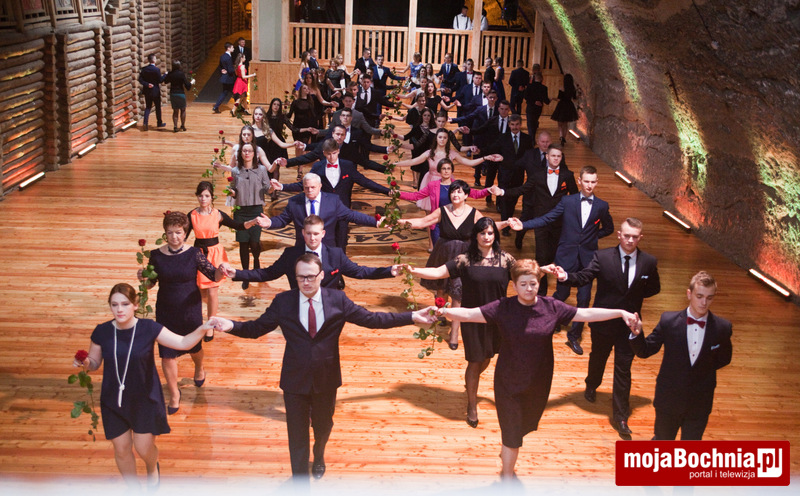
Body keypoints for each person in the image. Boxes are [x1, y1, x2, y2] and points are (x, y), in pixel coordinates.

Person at [210, 254, 436, 479]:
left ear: (321, 275)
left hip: (326, 378)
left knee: (323, 427)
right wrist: (231, 325)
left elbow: (373, 319)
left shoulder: (338, 300)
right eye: (301, 277)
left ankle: (319, 455)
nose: (306, 282)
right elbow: (256, 329)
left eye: (310, 276)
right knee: (296, 436)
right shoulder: (283, 302)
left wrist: (412, 316)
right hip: (294, 380)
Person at [439, 259, 639, 479]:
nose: (528, 289)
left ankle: (508, 449)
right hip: (508, 382)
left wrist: (620, 312)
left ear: (539, 283)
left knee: (522, 427)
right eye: (523, 284)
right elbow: (469, 314)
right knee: (512, 436)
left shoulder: (551, 307)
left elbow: (586, 314)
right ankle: (507, 477)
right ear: (514, 286)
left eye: (533, 284)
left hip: (538, 382)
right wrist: (441, 311)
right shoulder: (503, 307)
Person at [73, 283, 214, 487]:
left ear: (135, 305)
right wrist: (84, 362)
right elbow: (93, 364)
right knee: (121, 450)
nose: (119, 309)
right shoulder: (102, 332)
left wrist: (203, 328)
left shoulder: (149, 328)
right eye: (114, 305)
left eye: (125, 304)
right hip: (113, 400)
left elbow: (183, 343)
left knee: (143, 448)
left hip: (145, 399)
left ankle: (152, 467)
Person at [551, 217, 661, 439]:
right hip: (603, 322)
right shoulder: (602, 257)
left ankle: (621, 416)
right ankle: (592, 384)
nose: (630, 240)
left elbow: (653, 288)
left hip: (629, 326)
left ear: (640, 237)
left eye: (634, 237)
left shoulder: (649, 262)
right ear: (619, 235)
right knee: (598, 357)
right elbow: (584, 277)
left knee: (623, 369)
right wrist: (565, 276)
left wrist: (634, 297)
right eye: (626, 235)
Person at [408, 218, 516, 427]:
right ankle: (472, 405)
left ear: (495, 235)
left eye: (490, 233)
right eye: (482, 233)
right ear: (475, 236)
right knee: (475, 361)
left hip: (497, 318)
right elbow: (438, 272)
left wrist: (545, 270)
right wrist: (413, 270)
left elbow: (525, 273)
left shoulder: (505, 259)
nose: (487, 237)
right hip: (471, 317)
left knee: (487, 357)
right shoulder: (465, 260)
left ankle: (470, 383)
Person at [508, 165, 613, 355]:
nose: (589, 185)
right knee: (561, 294)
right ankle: (549, 319)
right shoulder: (567, 201)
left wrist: (592, 237)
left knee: (584, 299)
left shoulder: (602, 206)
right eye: (586, 181)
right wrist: (524, 225)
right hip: (566, 256)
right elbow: (547, 218)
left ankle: (574, 336)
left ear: (597, 182)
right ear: (579, 181)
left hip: (588, 259)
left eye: (593, 182)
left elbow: (609, 228)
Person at [399, 181, 510, 352]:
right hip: (443, 253)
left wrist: (507, 223)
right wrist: (398, 222)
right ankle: (441, 314)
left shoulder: (474, 213)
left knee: (458, 294)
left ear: (466, 195)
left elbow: (491, 227)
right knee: (441, 289)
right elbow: (421, 222)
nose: (455, 195)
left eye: (459, 192)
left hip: (464, 257)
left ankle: (454, 333)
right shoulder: (442, 211)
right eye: (453, 192)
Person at [137, 212, 224, 415]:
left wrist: (222, 269)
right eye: (170, 233)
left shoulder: (194, 253)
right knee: (167, 355)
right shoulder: (156, 255)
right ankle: (174, 394)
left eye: (178, 232)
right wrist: (144, 279)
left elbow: (213, 275)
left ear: (185, 233)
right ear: (165, 233)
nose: (174, 237)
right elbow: (150, 284)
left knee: (194, 348)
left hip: (190, 309)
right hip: (166, 309)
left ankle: (199, 367)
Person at [630, 271, 732, 440]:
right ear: (689, 294)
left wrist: (702, 369)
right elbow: (645, 350)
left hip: (699, 404)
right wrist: (637, 334)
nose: (704, 302)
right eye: (699, 296)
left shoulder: (723, 328)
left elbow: (724, 358)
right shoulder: (668, 321)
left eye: (709, 297)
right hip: (668, 401)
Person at [221, 215, 401, 289]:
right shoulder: (291, 255)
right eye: (308, 233)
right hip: (299, 310)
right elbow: (267, 274)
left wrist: (389, 271)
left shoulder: (336, 254)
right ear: (302, 233)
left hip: (329, 312)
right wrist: (237, 273)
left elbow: (361, 272)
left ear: (323, 234)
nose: (312, 238)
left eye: (316, 234)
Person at [273, 138, 390, 251]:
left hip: (343, 210)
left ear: (338, 151)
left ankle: (339, 262)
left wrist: (387, 191)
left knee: (341, 242)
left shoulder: (348, 166)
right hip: (325, 212)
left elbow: (365, 182)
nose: (332, 157)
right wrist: (283, 186)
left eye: (334, 153)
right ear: (324, 153)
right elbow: (304, 185)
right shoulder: (318, 167)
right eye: (328, 154)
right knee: (323, 242)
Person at [186, 181, 263, 340]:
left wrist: (252, 222)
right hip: (198, 254)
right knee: (200, 292)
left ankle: (210, 326)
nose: (203, 199)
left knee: (212, 291)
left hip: (215, 254)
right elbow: (183, 236)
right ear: (197, 196)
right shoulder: (192, 215)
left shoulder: (218, 214)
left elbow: (238, 225)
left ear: (212, 197)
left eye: (206, 196)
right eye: (200, 196)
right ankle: (203, 317)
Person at [499, 143, 578, 286]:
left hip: (559, 222)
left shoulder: (568, 175)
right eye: (553, 156)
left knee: (552, 254)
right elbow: (522, 189)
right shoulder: (537, 175)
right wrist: (503, 192)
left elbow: (574, 197)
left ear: (562, 158)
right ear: (547, 157)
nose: (556, 158)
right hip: (540, 220)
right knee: (541, 256)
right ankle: (541, 291)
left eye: (558, 156)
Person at [260, 172, 382, 249]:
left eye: (313, 187)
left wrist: (375, 222)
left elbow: (352, 215)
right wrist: (270, 222)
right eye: (306, 187)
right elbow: (282, 220)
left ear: (320, 186)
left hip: (327, 249)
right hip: (303, 250)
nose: (309, 190)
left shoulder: (333, 201)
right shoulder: (294, 202)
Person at [398, 158, 497, 250]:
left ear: (452, 170)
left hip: (454, 224)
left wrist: (488, 190)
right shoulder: (432, 185)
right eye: (443, 168)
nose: (446, 171)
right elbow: (415, 196)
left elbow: (476, 194)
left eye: (448, 168)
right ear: (439, 171)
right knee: (440, 252)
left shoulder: (457, 186)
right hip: (437, 224)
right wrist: (397, 194)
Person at [394, 129, 500, 199]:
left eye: (445, 138)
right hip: (430, 182)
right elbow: (412, 161)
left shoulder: (451, 154)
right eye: (440, 137)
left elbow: (469, 162)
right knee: (430, 208)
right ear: (436, 138)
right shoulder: (429, 153)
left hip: (447, 183)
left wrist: (485, 158)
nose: (442, 140)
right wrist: (395, 164)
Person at [228, 143, 272, 289]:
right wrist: (232, 192)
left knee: (254, 242)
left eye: (249, 151)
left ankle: (257, 262)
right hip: (241, 211)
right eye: (244, 151)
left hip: (256, 210)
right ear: (240, 153)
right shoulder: (235, 171)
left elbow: (267, 189)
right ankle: (245, 275)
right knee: (243, 243)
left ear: (254, 154)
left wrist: (272, 188)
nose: (247, 153)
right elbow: (234, 189)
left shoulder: (262, 170)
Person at [162, 60, 193, 132]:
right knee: (183, 110)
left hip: (173, 93)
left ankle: (175, 126)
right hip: (181, 93)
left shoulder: (170, 73)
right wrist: (191, 83)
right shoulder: (181, 74)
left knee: (175, 111)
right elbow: (187, 86)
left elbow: (165, 81)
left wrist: (166, 74)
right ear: (179, 66)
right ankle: (182, 126)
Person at [550, 73, 580, 145]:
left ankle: (561, 137)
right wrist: (579, 94)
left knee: (560, 124)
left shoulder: (562, 88)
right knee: (565, 124)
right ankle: (564, 137)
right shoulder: (572, 89)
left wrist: (553, 98)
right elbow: (574, 99)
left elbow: (559, 99)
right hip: (569, 106)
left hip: (561, 106)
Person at [138, 53, 165, 130]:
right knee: (158, 107)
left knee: (148, 107)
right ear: (154, 60)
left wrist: (147, 84)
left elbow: (140, 79)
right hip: (155, 91)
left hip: (147, 91)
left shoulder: (144, 69)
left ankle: (145, 123)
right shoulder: (156, 70)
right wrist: (165, 75)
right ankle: (159, 122)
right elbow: (160, 80)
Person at [523, 72, 550, 137]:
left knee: (530, 123)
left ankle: (531, 138)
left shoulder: (529, 86)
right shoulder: (544, 88)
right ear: (541, 79)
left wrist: (534, 102)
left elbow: (525, 96)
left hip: (530, 106)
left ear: (534, 78)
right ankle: (533, 137)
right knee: (535, 123)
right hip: (538, 108)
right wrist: (550, 99)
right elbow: (546, 101)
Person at [212, 42, 236, 113]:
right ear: (228, 48)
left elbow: (220, 66)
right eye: (232, 47)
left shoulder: (222, 56)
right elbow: (230, 70)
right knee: (235, 93)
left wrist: (222, 70)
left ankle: (216, 107)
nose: (233, 49)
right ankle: (240, 107)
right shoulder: (228, 58)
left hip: (224, 78)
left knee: (225, 92)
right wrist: (235, 68)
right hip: (229, 78)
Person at [231, 52, 256, 116]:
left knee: (244, 98)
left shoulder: (237, 66)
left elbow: (237, 74)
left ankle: (246, 110)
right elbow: (243, 76)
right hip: (242, 83)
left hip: (238, 81)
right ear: (241, 58)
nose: (245, 58)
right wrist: (252, 75)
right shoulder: (242, 66)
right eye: (244, 57)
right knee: (240, 98)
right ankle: (233, 110)